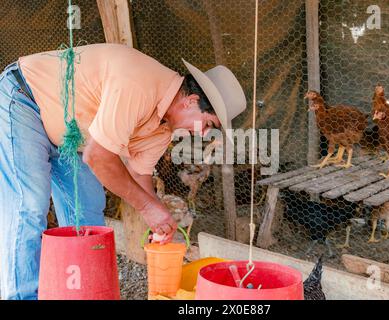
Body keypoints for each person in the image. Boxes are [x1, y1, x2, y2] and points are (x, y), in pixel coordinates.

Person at [0, 43, 246, 299]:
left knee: (87, 208)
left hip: (70, 132)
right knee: (28, 203)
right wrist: (148, 208)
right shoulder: (140, 83)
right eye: (208, 124)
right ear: (191, 101)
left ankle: (84, 293)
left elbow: (140, 175)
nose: (205, 133)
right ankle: (21, 295)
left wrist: (156, 220)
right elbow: (98, 157)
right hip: (25, 98)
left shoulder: (164, 128)